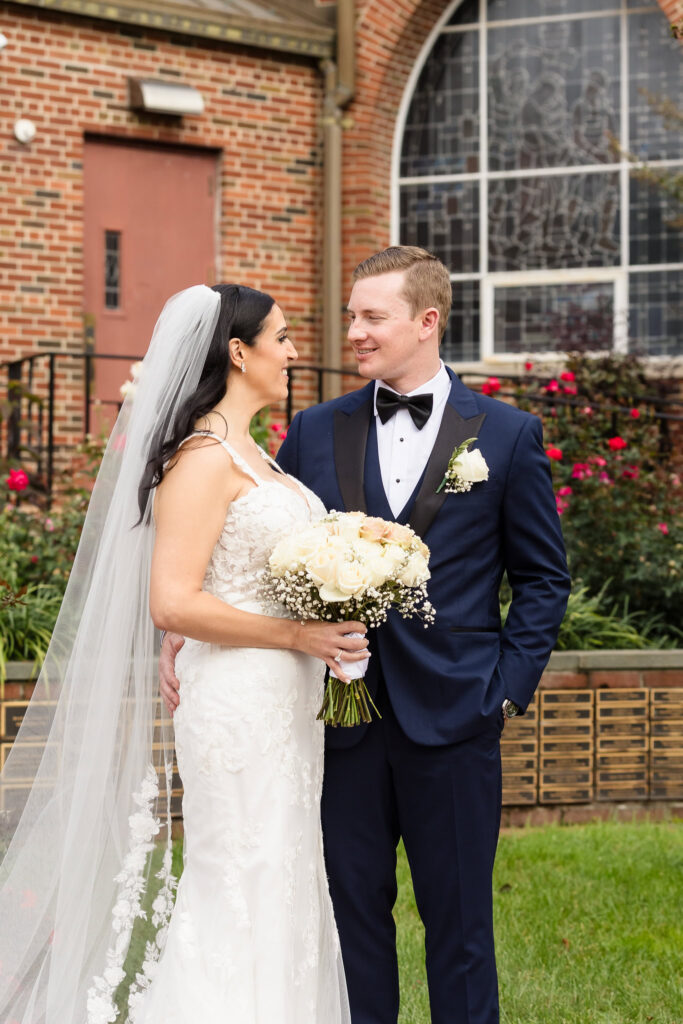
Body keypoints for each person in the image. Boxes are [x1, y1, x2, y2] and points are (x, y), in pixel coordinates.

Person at [162, 247, 571, 1024]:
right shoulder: (315, 429)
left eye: (370, 317)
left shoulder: (508, 435)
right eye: (350, 315)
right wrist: (188, 624)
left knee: (460, 930)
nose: (352, 331)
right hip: (335, 721)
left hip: (455, 716)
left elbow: (543, 579)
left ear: (425, 321)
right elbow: (261, 549)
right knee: (350, 923)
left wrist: (505, 688)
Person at [0, 283, 365, 1023]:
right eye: (284, 337)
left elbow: (233, 577)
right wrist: (297, 635)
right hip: (237, 703)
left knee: (284, 878)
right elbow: (171, 599)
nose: (295, 352)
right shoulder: (202, 455)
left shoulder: (254, 453)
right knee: (238, 879)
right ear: (239, 351)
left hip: (285, 702)